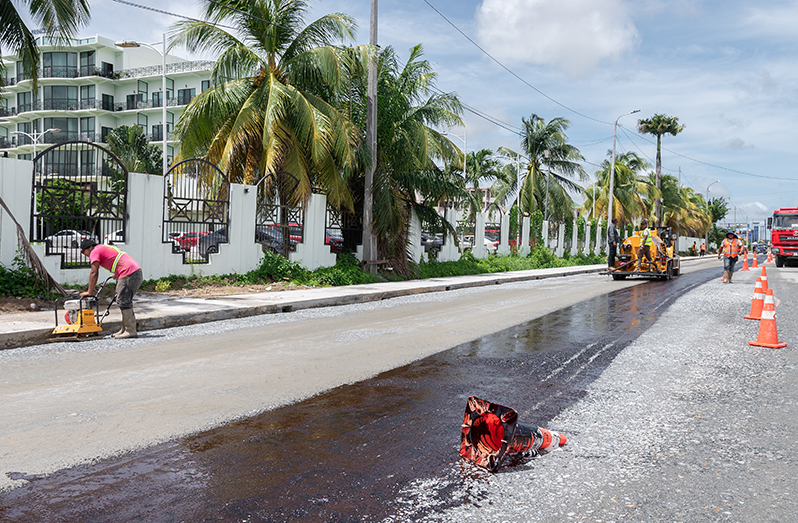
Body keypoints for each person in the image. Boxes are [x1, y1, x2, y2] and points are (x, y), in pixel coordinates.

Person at [80, 239, 143, 338]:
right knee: (123, 300)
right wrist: (116, 273)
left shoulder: (95, 251)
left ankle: (130, 330)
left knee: (123, 300)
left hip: (129, 273)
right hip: (132, 272)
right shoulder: (103, 248)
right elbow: (117, 258)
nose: (84, 254)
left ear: (90, 247)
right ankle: (124, 329)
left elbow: (94, 272)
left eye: (83, 251)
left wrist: (89, 291)